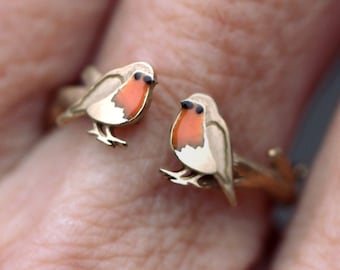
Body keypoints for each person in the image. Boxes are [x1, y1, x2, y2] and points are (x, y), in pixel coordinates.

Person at [0, 1, 339, 269]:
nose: (147, 86)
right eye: (141, 80)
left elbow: (215, 158)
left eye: (149, 82)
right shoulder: (120, 94)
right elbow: (93, 105)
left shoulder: (205, 129)